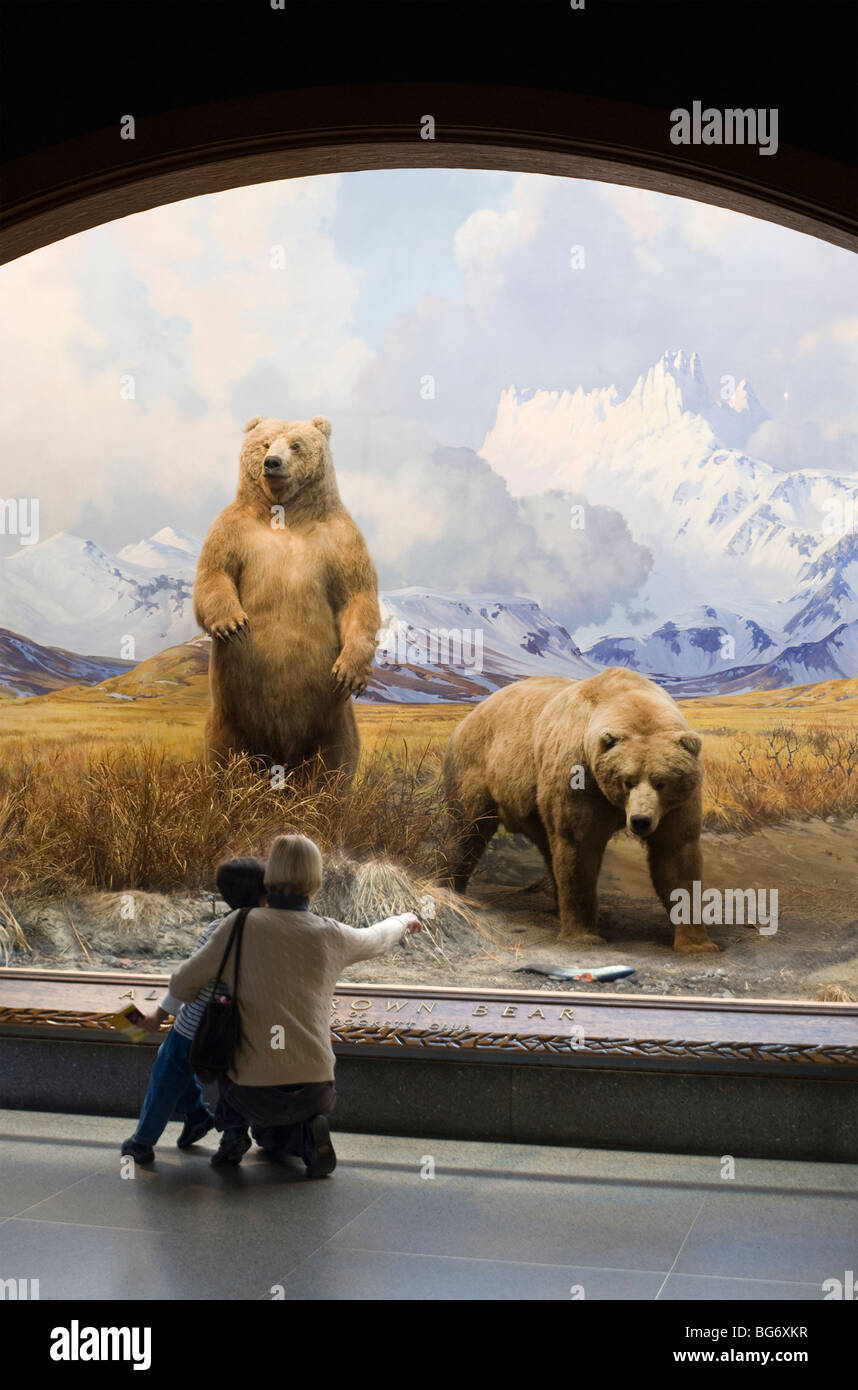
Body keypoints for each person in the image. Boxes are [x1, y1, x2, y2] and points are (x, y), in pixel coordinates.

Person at [167, 833, 422, 1177]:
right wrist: (403, 921)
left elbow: (183, 983)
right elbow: (376, 938)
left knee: (244, 1084)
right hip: (316, 1088)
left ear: (270, 874)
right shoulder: (330, 933)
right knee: (279, 1132)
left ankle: (234, 1133)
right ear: (316, 879)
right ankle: (305, 1134)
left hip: (250, 1090)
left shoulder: (239, 924)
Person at [120, 858, 267, 1165]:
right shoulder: (271, 932)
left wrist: (157, 1017)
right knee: (217, 1077)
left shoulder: (219, 928)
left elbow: (187, 979)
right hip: (245, 1028)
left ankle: (142, 1142)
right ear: (264, 894)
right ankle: (200, 1117)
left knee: (168, 1071)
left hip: (198, 1025)